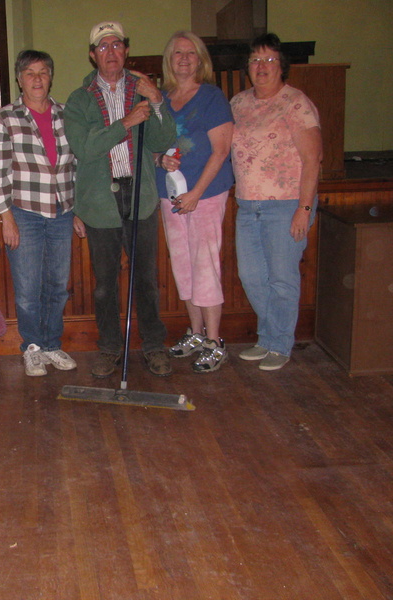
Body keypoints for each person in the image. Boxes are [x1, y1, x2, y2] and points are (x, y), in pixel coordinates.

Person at [64, 21, 177, 378]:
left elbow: (162, 140)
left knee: (146, 279)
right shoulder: (79, 100)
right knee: (104, 284)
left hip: (140, 195)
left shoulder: (143, 90)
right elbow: (86, 147)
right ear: (92, 55)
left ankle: (154, 346)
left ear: (126, 50)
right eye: (102, 46)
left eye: (116, 45)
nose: (110, 52)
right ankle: (110, 348)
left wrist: (157, 102)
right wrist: (125, 122)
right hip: (99, 201)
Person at [231, 33, 322, 371]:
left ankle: (279, 344)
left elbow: (314, 160)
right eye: (255, 60)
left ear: (282, 66)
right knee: (252, 276)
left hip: (286, 205)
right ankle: (268, 338)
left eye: (269, 60)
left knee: (282, 279)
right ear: (247, 68)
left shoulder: (296, 103)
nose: (261, 66)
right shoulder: (238, 103)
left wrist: (305, 207)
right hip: (247, 206)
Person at [0, 50, 77, 377]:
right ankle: (33, 348)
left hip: (62, 212)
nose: (37, 79)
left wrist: (76, 209)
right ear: (20, 79)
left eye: (43, 72)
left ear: (50, 77)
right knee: (27, 287)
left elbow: (76, 166)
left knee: (57, 285)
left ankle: (52, 344)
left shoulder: (67, 114)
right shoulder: (6, 118)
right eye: (30, 73)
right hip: (24, 213)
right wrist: (6, 218)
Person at [155, 31, 234, 373]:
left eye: (191, 53)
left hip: (206, 193)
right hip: (170, 193)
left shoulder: (213, 97)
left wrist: (197, 194)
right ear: (169, 60)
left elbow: (221, 150)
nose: (184, 58)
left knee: (205, 264)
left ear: (201, 60)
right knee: (183, 265)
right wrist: (161, 160)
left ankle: (215, 341)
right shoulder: (161, 99)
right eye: (177, 53)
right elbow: (151, 145)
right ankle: (196, 334)